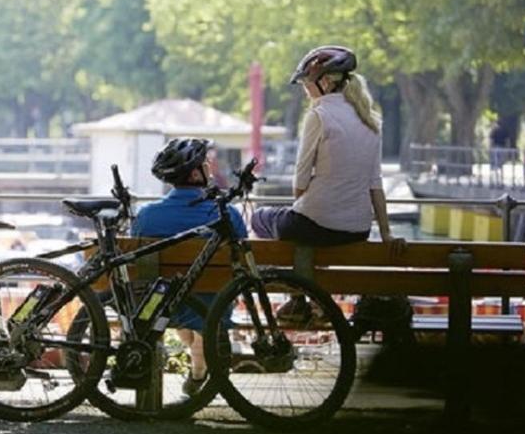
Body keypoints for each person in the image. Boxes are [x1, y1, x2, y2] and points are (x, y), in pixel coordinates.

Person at [251, 45, 403, 251]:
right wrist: (386, 233)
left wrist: (307, 203)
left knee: (259, 218)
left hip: (316, 225)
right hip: (359, 230)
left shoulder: (319, 115)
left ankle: (280, 281)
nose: (305, 90)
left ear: (325, 82)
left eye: (306, 82)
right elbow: (375, 183)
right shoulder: (371, 121)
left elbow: (301, 180)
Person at [131, 137, 248, 396]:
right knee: (203, 310)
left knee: (183, 303)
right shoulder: (226, 214)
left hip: (165, 305)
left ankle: (196, 365)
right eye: (206, 163)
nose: (209, 167)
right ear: (196, 173)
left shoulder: (147, 215)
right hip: (215, 304)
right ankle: (197, 371)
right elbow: (241, 252)